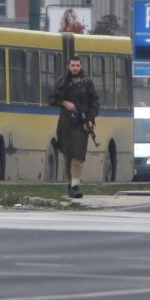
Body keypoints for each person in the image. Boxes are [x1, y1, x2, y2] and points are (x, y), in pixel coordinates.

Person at [48, 57, 100, 198]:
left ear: (81, 66)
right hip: (65, 125)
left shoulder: (87, 83)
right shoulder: (63, 82)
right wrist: (65, 103)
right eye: (73, 65)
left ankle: (75, 185)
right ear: (68, 66)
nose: (75, 68)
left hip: (81, 125)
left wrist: (90, 119)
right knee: (67, 156)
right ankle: (71, 183)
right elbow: (52, 99)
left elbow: (95, 103)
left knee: (78, 155)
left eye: (77, 65)